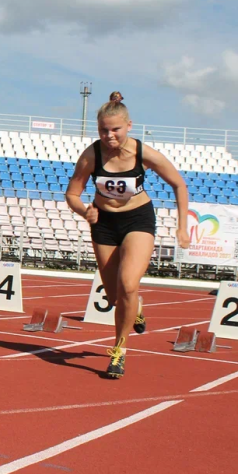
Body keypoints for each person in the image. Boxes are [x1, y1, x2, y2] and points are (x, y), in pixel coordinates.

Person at [66, 99, 189, 379]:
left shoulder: (143, 153)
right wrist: (84, 210)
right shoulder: (91, 155)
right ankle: (137, 307)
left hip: (138, 220)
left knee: (128, 284)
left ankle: (119, 350)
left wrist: (182, 227)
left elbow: (178, 184)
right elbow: (72, 194)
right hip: (104, 224)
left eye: (115, 130)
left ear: (129, 126)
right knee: (114, 297)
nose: (109, 136)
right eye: (103, 130)